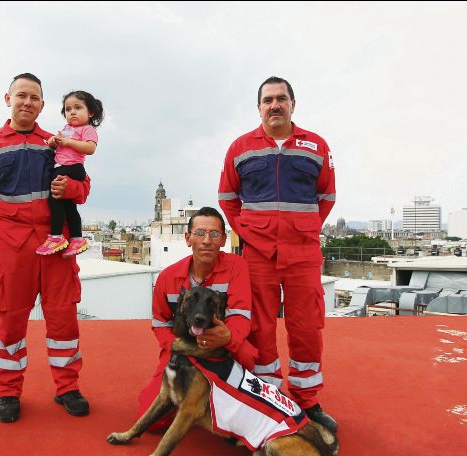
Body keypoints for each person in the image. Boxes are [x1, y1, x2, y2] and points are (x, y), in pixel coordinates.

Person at [0, 73, 92, 423]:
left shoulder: (55, 141)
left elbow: (83, 183)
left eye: (34, 98)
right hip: (12, 246)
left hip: (55, 242)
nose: (27, 103)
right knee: (11, 322)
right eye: (21, 96)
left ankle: (67, 387)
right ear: (8, 99)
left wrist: (72, 191)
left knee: (64, 318)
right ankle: (7, 391)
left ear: (42, 105)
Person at [218, 76, 338, 432]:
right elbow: (227, 198)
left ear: (292, 104)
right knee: (259, 326)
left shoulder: (316, 145)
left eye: (281, 99)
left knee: (307, 327)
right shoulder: (240, 147)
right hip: (257, 254)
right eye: (268, 100)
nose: (275, 105)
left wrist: (303, 228)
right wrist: (248, 232)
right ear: (259, 107)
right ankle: (268, 396)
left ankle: (307, 400)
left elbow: (327, 196)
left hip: (303, 253)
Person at [136, 207, 256, 431]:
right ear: (188, 238)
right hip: (183, 348)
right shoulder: (168, 277)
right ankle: (192, 400)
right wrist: (177, 346)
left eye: (214, 234)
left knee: (248, 358)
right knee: (153, 421)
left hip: (223, 346)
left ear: (223, 240)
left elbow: (240, 315)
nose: (207, 241)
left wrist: (227, 337)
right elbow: (160, 323)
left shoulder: (236, 267)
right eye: (200, 233)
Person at [36, 90, 103, 257]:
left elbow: (90, 148)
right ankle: (77, 238)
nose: (72, 112)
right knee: (69, 206)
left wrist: (68, 142)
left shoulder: (87, 129)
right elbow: (56, 143)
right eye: (68, 109)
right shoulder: (66, 128)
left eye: (78, 108)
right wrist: (53, 141)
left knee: (54, 199)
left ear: (90, 113)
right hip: (62, 166)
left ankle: (56, 236)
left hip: (73, 167)